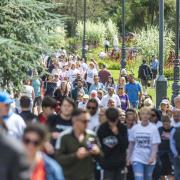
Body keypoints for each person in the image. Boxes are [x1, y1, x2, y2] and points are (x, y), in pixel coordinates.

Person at [55, 109, 101, 180]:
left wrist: (98, 152)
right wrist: (75, 156)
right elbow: (58, 160)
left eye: (88, 121)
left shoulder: (91, 135)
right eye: (84, 121)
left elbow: (102, 158)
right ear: (74, 120)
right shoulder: (64, 137)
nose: (87, 124)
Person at [127, 107, 161, 180]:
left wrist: (152, 157)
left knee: (147, 178)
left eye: (147, 114)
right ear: (140, 115)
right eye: (143, 113)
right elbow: (131, 144)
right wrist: (128, 157)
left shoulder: (153, 128)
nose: (145, 115)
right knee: (138, 178)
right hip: (137, 158)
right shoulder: (135, 128)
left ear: (149, 116)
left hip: (149, 159)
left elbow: (155, 145)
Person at [97, 108, 128, 180]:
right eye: (110, 120)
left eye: (114, 120)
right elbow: (99, 146)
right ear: (107, 118)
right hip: (107, 164)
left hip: (120, 164)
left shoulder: (122, 128)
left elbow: (125, 145)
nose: (112, 123)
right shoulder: (102, 128)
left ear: (117, 118)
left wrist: (117, 134)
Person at [158, 116, 174, 180]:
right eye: (164, 123)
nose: (166, 125)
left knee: (171, 171)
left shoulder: (174, 129)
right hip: (161, 153)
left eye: (167, 123)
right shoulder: (160, 129)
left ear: (170, 122)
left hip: (171, 153)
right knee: (162, 172)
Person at [170, 108, 180, 180]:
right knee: (177, 172)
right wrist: (176, 153)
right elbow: (172, 142)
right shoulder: (172, 127)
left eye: (178, 115)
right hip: (176, 155)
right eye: (174, 115)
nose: (176, 117)